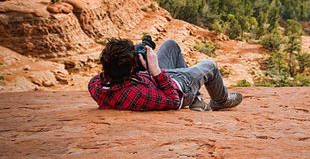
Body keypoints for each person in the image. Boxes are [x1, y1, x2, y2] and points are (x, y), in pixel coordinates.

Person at [88, 38, 242, 111]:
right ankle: (220, 100)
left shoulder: (97, 85)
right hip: (179, 88)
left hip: (152, 79)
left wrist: (139, 65)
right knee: (210, 66)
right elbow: (173, 100)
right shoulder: (138, 94)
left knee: (171, 45)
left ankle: (197, 100)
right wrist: (156, 71)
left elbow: (111, 73)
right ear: (130, 70)